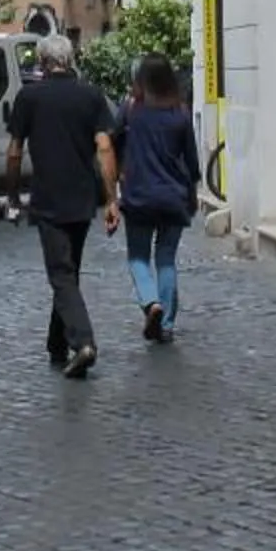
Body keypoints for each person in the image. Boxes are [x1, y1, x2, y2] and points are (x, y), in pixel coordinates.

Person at [3, 33, 119, 378]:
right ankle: (57, 344)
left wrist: (11, 197)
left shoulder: (30, 97)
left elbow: (13, 151)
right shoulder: (91, 95)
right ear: (71, 60)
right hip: (83, 198)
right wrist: (113, 199)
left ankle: (83, 342)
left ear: (42, 62)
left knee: (61, 275)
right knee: (68, 271)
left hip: (48, 198)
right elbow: (105, 148)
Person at [113, 54, 202, 342]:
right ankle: (165, 324)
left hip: (139, 195)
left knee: (138, 257)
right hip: (173, 196)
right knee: (166, 259)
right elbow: (191, 160)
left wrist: (116, 177)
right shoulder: (181, 113)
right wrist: (192, 194)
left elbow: (111, 141)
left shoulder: (131, 110)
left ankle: (152, 302)